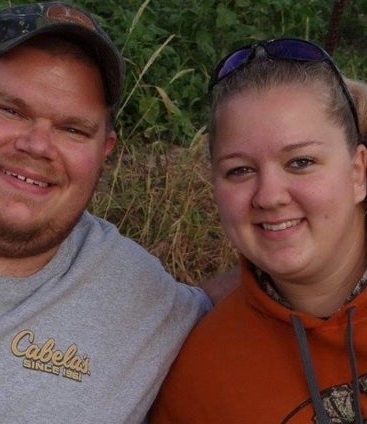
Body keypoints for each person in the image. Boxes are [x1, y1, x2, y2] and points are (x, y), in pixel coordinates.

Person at [0, 2, 214, 423]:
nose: (37, 145)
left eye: (72, 129)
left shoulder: (140, 295)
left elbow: (261, 302)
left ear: (104, 150)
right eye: (11, 110)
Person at [150, 38, 367, 423]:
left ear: (358, 172)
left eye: (300, 161)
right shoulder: (200, 375)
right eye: (240, 170)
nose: (269, 196)